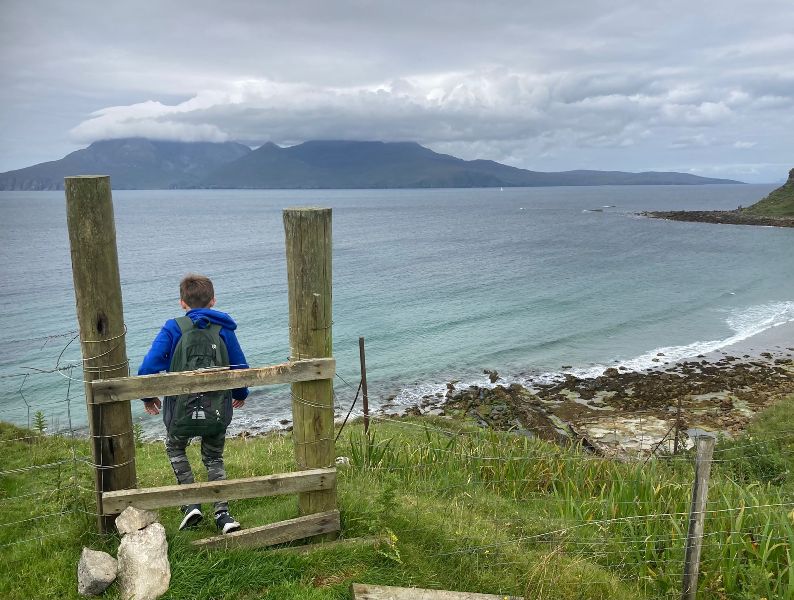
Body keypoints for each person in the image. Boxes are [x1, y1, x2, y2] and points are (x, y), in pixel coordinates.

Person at [139, 273, 249, 534]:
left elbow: (146, 369)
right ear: (213, 301)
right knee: (213, 458)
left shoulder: (173, 328)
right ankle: (223, 515)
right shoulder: (224, 329)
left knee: (175, 448)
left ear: (182, 303)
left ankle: (191, 503)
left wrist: (148, 397)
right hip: (217, 410)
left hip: (180, 411)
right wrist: (240, 393)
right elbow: (240, 367)